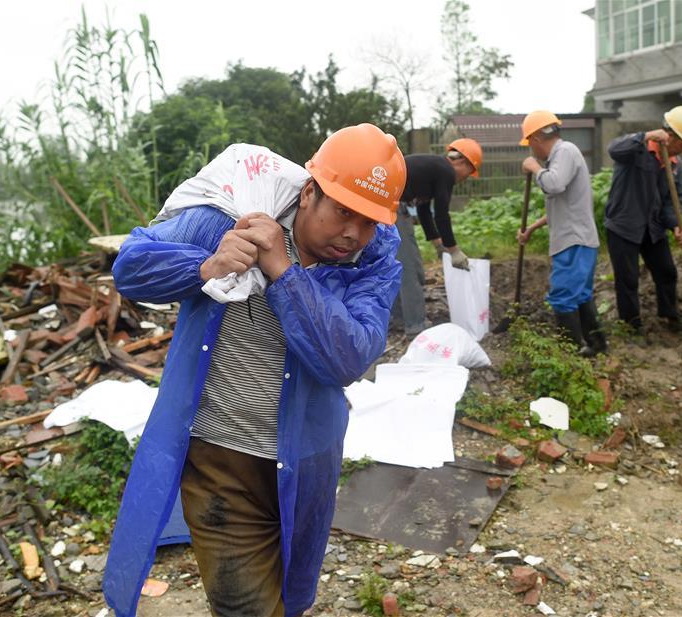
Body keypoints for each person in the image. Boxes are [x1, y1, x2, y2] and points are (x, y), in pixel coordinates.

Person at [102, 124, 407, 617]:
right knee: (247, 608)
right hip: (222, 463)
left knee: (291, 598)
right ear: (310, 191)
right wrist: (206, 267)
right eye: (343, 212)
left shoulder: (371, 263)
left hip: (307, 461)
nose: (353, 233)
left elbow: (348, 358)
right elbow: (131, 268)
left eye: (369, 221)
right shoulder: (231, 214)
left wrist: (282, 271)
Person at [603, 105, 682, 333]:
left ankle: (670, 315)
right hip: (624, 224)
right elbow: (614, 149)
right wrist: (645, 136)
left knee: (667, 271)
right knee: (627, 278)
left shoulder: (676, 165)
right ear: (669, 136)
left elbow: (673, 201)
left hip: (653, 227)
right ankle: (631, 324)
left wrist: (677, 226)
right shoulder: (636, 150)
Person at [516, 110, 605, 356]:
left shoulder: (564, 152)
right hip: (578, 240)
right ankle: (597, 346)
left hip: (573, 242)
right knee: (581, 295)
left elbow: (554, 184)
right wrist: (532, 229)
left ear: (535, 138)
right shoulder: (561, 157)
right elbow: (564, 205)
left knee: (563, 297)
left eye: (530, 145)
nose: (532, 152)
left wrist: (534, 167)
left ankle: (574, 353)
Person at [393, 138, 483, 335]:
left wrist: (438, 245)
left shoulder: (432, 168)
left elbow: (425, 211)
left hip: (385, 204)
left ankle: (398, 319)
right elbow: (442, 214)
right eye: (468, 174)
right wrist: (454, 250)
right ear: (463, 163)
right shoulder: (446, 171)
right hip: (392, 207)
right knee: (409, 268)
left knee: (396, 266)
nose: (464, 179)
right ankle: (416, 326)